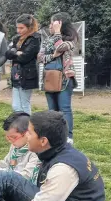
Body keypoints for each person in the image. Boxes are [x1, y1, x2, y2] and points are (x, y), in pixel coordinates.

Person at [38, 12, 78, 144]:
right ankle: (55, 136)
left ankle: (68, 137)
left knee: (64, 109)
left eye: (53, 23)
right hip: (50, 78)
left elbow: (61, 46)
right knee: (52, 111)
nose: (50, 26)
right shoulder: (47, 40)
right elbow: (40, 57)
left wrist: (57, 33)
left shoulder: (71, 39)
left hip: (65, 79)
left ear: (60, 25)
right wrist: (53, 56)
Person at [5, 14, 41, 115]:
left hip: (27, 75)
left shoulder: (35, 38)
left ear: (29, 27)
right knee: (16, 106)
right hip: (15, 75)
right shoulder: (16, 38)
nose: (18, 30)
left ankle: (26, 128)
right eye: (17, 27)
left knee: (24, 105)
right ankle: (21, 127)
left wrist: (15, 52)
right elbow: (7, 54)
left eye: (21, 28)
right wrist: (16, 52)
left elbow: (25, 57)